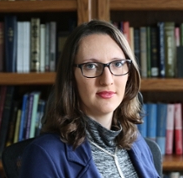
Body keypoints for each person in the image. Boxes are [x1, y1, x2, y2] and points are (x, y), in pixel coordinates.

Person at [19, 20, 160, 178]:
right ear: (70, 78)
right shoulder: (44, 155)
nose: (107, 80)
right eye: (91, 66)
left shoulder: (136, 142)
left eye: (118, 64)